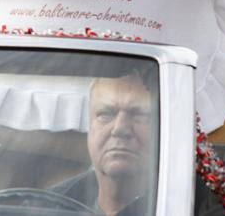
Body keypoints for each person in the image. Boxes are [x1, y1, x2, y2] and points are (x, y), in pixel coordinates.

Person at [51, 74, 155, 216]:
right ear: (89, 126)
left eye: (140, 115)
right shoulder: (49, 205)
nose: (119, 128)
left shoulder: (188, 204)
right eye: (105, 114)